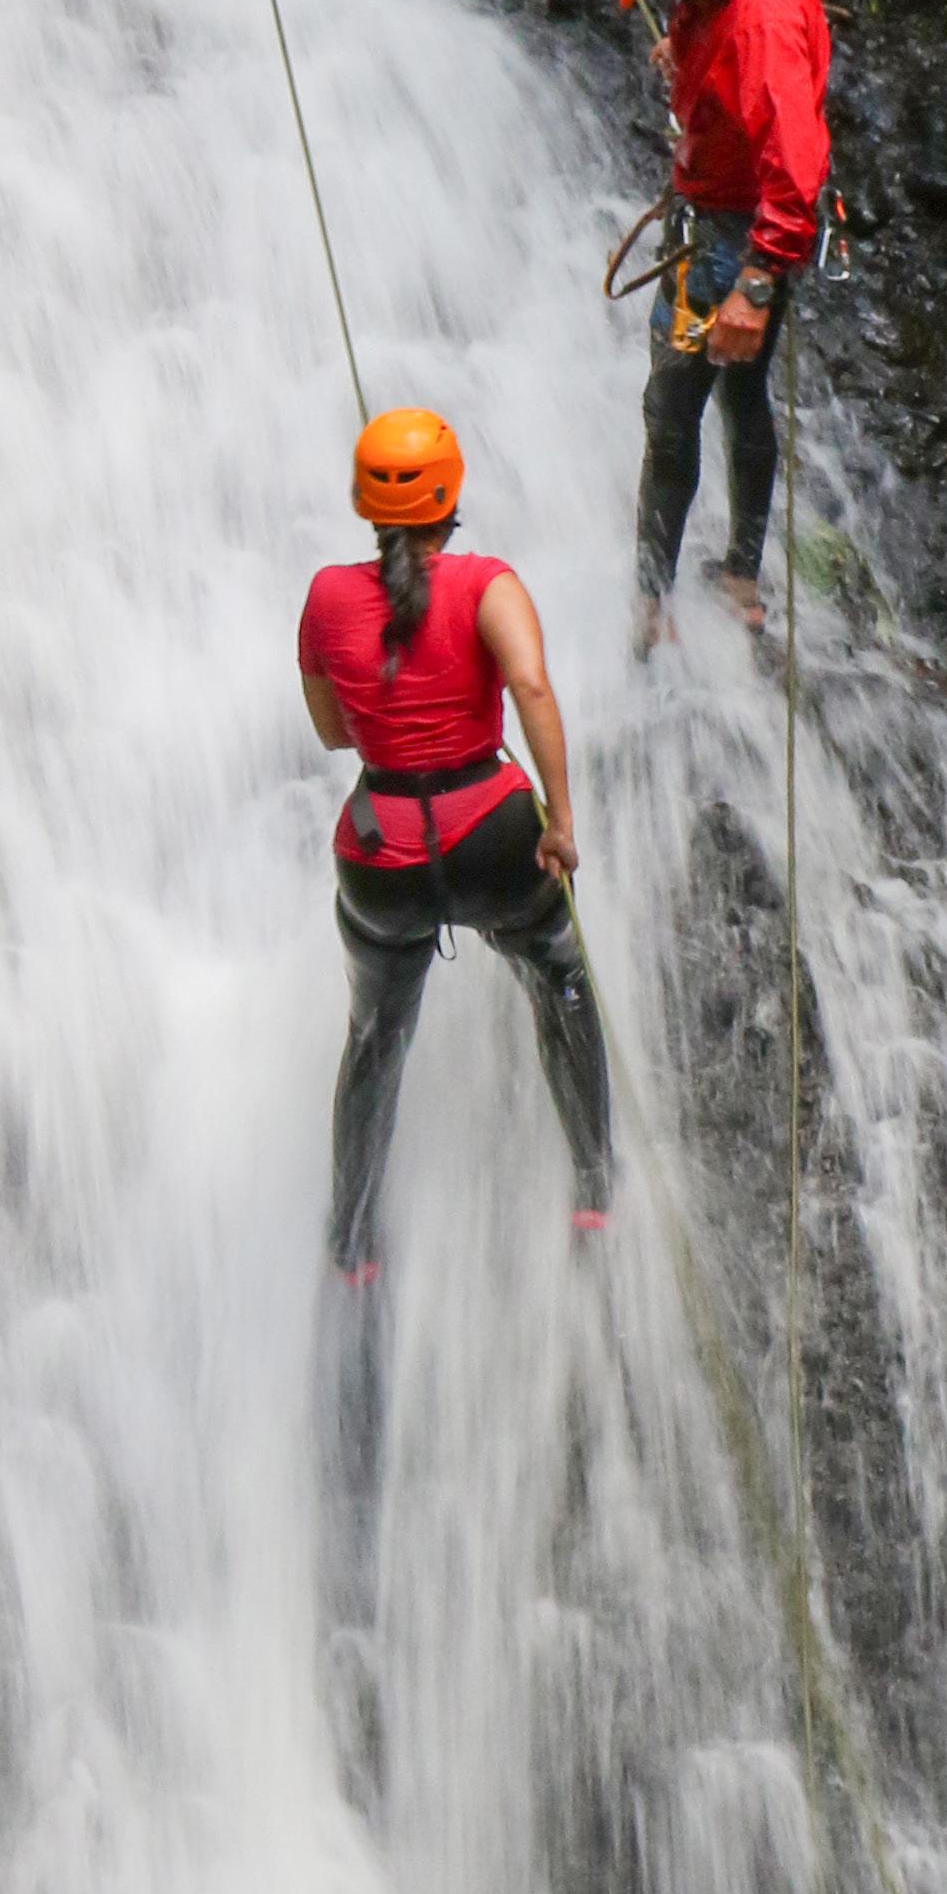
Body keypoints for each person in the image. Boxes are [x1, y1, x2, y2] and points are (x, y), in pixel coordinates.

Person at [300, 409, 613, 1277]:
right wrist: (559, 820)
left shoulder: (327, 596)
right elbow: (532, 688)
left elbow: (332, 733)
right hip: (494, 836)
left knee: (373, 1036)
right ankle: (592, 1188)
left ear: (366, 502)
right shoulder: (488, 584)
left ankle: (352, 1240)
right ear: (453, 495)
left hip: (382, 857)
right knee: (560, 978)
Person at [625, 0, 830, 643]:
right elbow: (725, 36)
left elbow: (796, 161)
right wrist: (691, 56)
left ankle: (650, 603)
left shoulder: (762, 21)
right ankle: (740, 576)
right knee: (744, 398)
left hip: (735, 235)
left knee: (671, 405)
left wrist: (753, 280)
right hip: (739, 217)